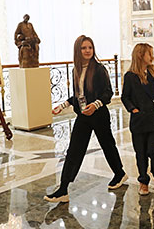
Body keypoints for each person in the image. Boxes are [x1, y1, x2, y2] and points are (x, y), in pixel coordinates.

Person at [45, 36, 127, 203]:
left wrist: (95, 105)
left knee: (107, 145)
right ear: (78, 50)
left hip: (99, 115)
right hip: (83, 116)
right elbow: (78, 95)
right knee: (74, 150)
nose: (88, 50)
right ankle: (63, 189)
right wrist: (63, 105)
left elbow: (107, 93)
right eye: (84, 48)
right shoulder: (76, 70)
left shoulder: (99, 69)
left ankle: (120, 173)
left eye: (90, 47)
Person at [121, 43, 154, 196]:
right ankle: (143, 181)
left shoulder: (152, 73)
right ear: (141, 55)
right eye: (149, 54)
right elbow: (125, 96)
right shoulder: (130, 76)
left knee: (152, 150)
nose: (152, 57)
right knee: (140, 153)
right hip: (139, 121)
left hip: (153, 119)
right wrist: (134, 109)